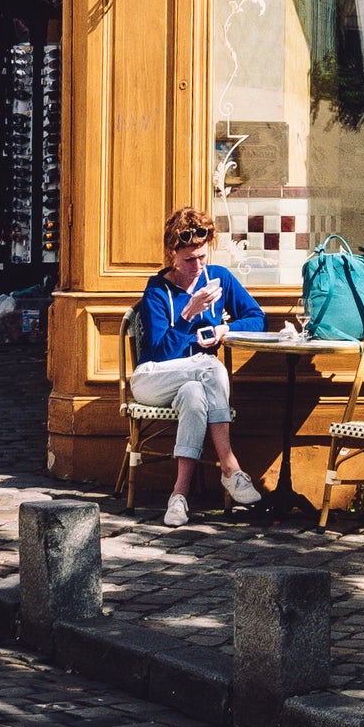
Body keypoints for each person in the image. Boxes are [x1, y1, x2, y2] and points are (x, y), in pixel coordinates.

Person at [126, 208, 271, 529]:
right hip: (152, 379)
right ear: (171, 254)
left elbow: (258, 317)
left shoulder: (219, 279)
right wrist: (190, 313)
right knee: (209, 366)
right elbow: (160, 355)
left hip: (191, 384)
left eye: (202, 257)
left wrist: (224, 331)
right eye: (189, 260)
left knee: (194, 394)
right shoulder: (157, 292)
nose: (197, 266)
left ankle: (178, 496)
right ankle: (230, 466)